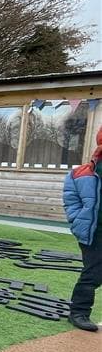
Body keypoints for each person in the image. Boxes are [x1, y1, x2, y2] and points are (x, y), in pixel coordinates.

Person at [62, 126, 102, 332]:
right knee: (93, 273)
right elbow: (71, 201)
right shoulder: (79, 174)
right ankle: (79, 312)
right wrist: (77, 220)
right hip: (94, 232)